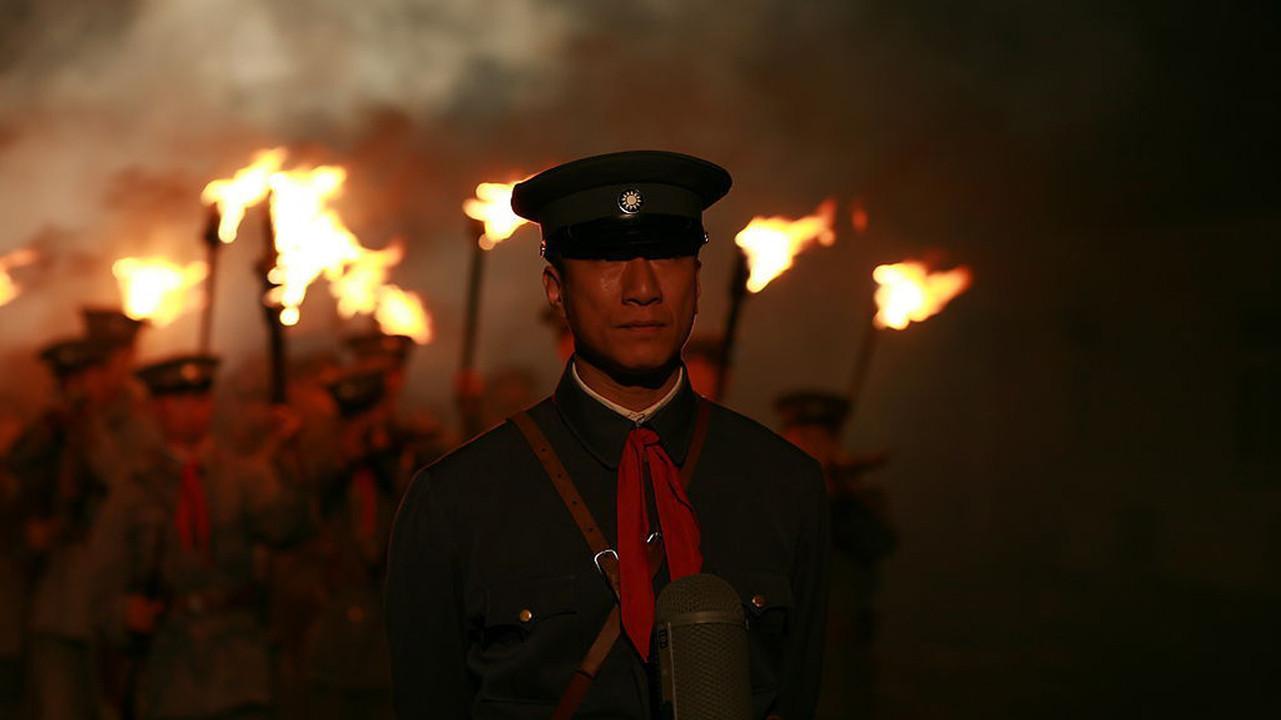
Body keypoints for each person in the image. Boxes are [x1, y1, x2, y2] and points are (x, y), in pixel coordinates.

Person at [386, 150, 830, 719]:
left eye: (668, 255)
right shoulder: (457, 501)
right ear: (555, 288)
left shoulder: (783, 486)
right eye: (606, 258)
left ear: (696, 280)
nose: (642, 288)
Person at [89, 354, 307, 720]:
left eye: (201, 399)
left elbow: (288, 528)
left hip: (239, 661)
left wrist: (290, 458)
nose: (193, 410)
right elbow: (102, 578)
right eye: (180, 400)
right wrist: (123, 612)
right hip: (170, 663)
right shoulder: (136, 487)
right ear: (157, 409)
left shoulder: (242, 476)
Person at [7, 338, 115, 720]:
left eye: (84, 378)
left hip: (111, 602)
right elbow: (19, 477)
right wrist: (52, 426)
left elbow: (116, 482)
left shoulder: (122, 425)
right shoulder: (48, 432)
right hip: (57, 601)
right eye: (68, 380)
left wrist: (88, 430)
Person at [774, 390, 896, 720]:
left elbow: (877, 542)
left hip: (841, 656)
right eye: (803, 439)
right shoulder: (770, 496)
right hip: (781, 653)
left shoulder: (859, 501)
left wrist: (837, 492)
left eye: (819, 439)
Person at [295, 368, 401, 720]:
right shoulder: (321, 474)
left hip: (388, 641)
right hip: (333, 638)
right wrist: (343, 459)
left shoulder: (401, 469)